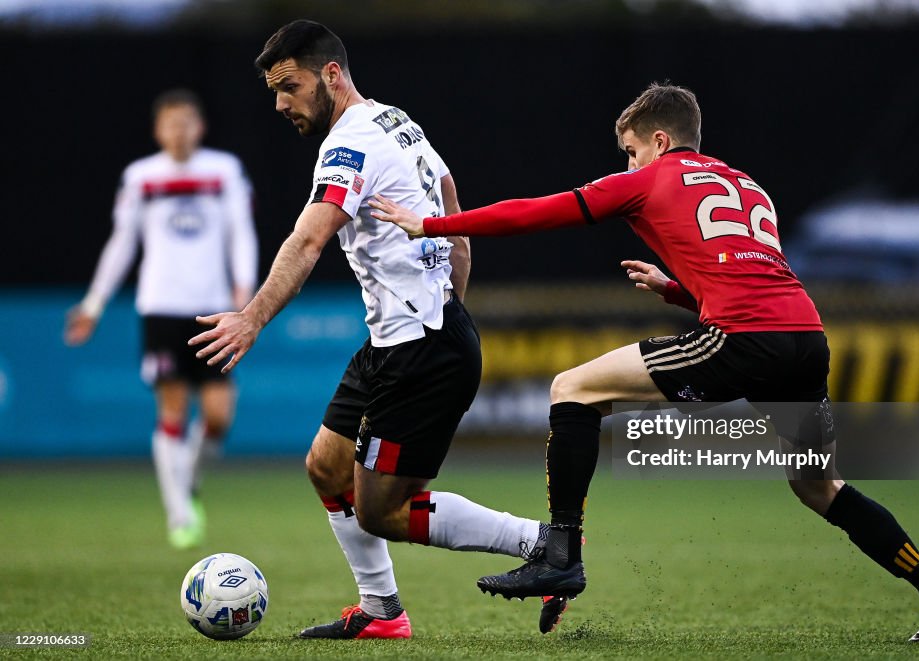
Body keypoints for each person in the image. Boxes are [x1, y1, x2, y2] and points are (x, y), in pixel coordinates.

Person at [369, 82, 919, 642]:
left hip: (742, 337)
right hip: (804, 334)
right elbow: (756, 282)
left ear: (660, 141)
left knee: (573, 389)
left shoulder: (651, 179)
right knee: (820, 487)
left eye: (631, 151)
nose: (628, 165)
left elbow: (538, 211)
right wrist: (676, 291)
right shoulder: (747, 185)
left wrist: (432, 223)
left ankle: (561, 553)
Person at [188, 19, 553, 641]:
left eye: (291, 86)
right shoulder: (396, 120)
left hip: (419, 347)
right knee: (327, 469)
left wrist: (252, 317)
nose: (281, 103)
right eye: (274, 91)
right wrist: (448, 305)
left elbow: (308, 239)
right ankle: (382, 612)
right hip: (403, 339)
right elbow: (452, 206)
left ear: (331, 74)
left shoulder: (349, 143)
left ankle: (544, 546)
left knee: (383, 510)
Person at [65, 89, 258, 550]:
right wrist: (93, 304)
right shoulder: (141, 177)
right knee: (172, 408)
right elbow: (122, 243)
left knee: (217, 417)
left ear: (200, 127)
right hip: (160, 307)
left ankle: (187, 481)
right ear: (158, 130)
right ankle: (179, 514)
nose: (179, 131)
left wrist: (244, 291)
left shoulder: (224, 170)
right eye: (171, 123)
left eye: (187, 122)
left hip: (213, 310)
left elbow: (241, 234)